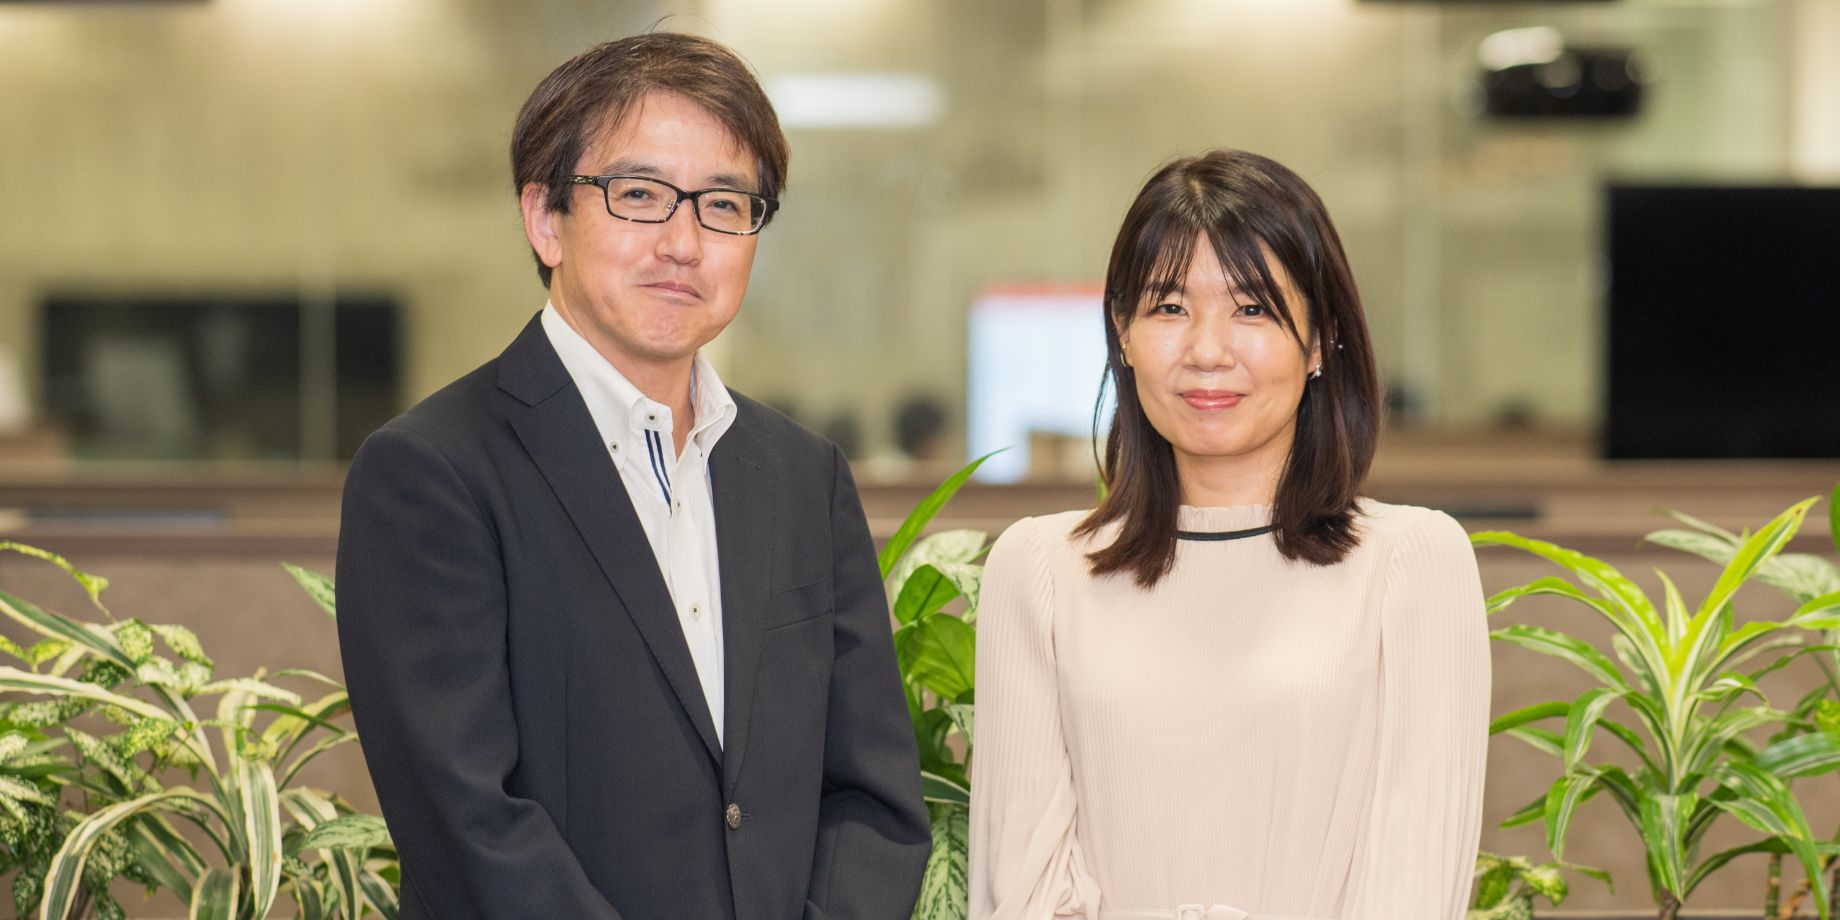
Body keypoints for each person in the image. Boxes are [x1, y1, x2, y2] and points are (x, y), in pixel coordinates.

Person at [336, 32, 930, 920]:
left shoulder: (804, 476)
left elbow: (872, 797)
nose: (685, 241)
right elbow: (467, 823)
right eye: (640, 195)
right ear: (546, 218)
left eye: (724, 203)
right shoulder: (432, 473)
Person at [968, 149, 1490, 920]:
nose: (1207, 351)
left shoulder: (1411, 564)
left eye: (1252, 308)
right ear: (1122, 332)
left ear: (1319, 341)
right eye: (1169, 307)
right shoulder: (1040, 571)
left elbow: (1410, 886)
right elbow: (1022, 889)